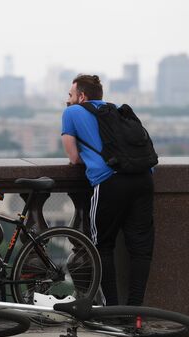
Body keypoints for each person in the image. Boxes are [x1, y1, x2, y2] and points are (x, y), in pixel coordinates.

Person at [61, 74, 154, 306]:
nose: (68, 100)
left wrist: (92, 158)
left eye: (70, 95)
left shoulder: (72, 112)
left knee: (101, 246)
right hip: (143, 179)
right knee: (140, 249)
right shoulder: (117, 111)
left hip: (110, 181)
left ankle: (111, 308)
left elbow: (73, 158)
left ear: (82, 96)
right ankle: (135, 311)